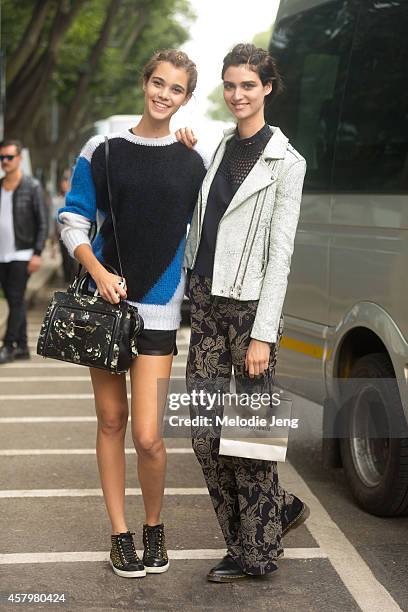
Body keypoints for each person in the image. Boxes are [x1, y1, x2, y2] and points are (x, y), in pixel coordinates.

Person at [58, 49, 206, 579]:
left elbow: (199, 234)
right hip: (106, 303)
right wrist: (97, 271)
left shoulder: (194, 161)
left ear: (187, 98)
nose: (164, 94)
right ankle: (120, 533)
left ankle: (154, 525)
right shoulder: (103, 149)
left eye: (176, 89)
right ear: (145, 83)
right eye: (158, 83)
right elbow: (73, 219)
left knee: (148, 434)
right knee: (111, 421)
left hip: (161, 311)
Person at [178, 43, 310, 582]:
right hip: (207, 303)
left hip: (251, 309)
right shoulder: (216, 151)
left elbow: (281, 255)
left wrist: (264, 334)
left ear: (267, 88)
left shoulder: (286, 162)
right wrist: (186, 152)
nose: (237, 95)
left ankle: (255, 552)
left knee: (250, 438)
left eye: (248, 86)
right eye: (230, 85)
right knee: (206, 433)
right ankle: (267, 517)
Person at [0, 139, 48, 364]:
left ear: (19, 159)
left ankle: (9, 345)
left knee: (17, 298)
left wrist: (37, 252)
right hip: (2, 255)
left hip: (22, 253)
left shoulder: (32, 186)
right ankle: (22, 347)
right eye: (2, 158)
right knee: (12, 299)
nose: (5, 162)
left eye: (9, 157)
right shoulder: (0, 186)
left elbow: (42, 222)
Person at [50, 169, 77, 283]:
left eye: (68, 180)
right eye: (64, 181)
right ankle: (67, 281)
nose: (65, 183)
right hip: (62, 235)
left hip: (75, 235)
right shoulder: (57, 200)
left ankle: (73, 280)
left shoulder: (76, 199)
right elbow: (54, 219)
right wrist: (53, 239)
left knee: (73, 259)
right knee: (65, 259)